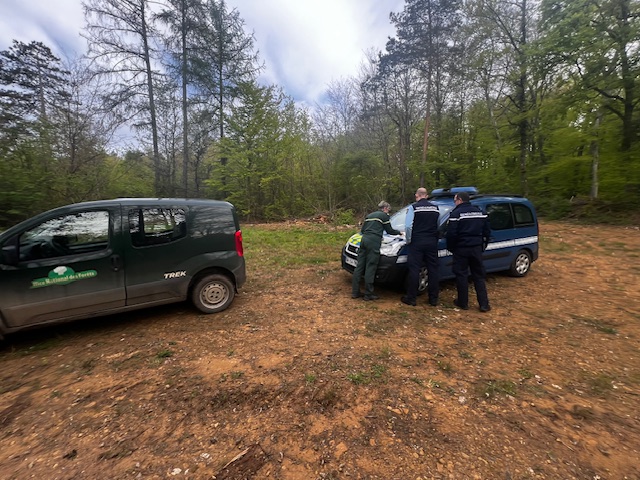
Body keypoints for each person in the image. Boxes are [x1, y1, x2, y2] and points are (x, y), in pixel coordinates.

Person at [446, 191, 492, 312]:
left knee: (461, 275)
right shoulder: (480, 212)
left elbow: (451, 234)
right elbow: (487, 232)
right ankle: (484, 304)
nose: (455, 203)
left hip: (461, 249)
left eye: (455, 200)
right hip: (476, 248)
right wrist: (483, 246)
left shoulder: (456, 214)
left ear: (460, 200)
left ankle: (463, 302)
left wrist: (451, 248)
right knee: (479, 276)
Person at [352, 201, 402, 301]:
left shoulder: (370, 215)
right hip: (373, 242)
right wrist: (400, 233)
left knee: (360, 266)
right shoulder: (384, 216)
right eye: (389, 210)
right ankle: (368, 294)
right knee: (371, 266)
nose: (389, 212)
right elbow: (390, 231)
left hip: (364, 240)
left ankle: (355, 292)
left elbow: (363, 230)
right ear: (386, 208)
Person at [401, 187, 440, 307]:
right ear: (426, 196)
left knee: (414, 269)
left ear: (417, 195)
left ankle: (411, 298)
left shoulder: (413, 207)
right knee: (433, 269)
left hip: (417, 241)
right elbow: (437, 225)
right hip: (431, 242)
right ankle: (433, 299)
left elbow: (408, 227)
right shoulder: (436, 208)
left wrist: (408, 240)